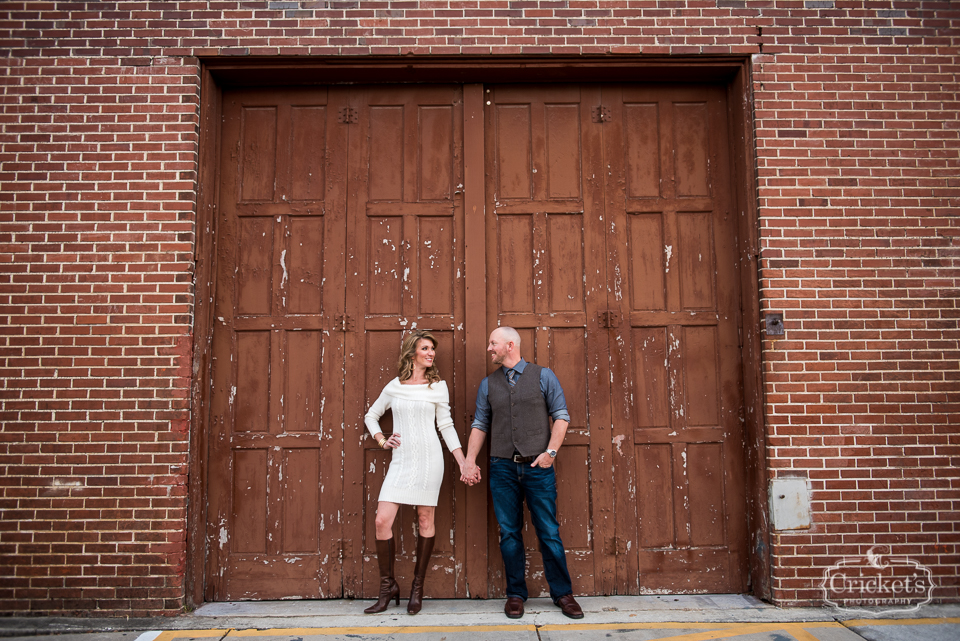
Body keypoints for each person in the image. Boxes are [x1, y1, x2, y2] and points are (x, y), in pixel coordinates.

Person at [461, 326, 584, 620]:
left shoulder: (544, 376)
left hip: (537, 467)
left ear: (510, 345)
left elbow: (562, 416)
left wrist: (550, 453)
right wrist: (469, 460)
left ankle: (562, 593)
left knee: (549, 532)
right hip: (502, 467)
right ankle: (516, 594)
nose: (489, 348)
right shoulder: (488, 384)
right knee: (509, 534)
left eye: (494, 343)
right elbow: (480, 424)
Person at [363, 329, 467, 615]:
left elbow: (445, 426)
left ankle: (417, 589)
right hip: (401, 460)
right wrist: (382, 440)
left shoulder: (438, 387)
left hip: (430, 459)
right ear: (412, 353)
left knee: (424, 518)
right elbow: (371, 415)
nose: (431, 353)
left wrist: (462, 462)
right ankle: (388, 587)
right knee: (382, 520)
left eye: (432, 349)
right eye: (425, 348)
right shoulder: (394, 386)